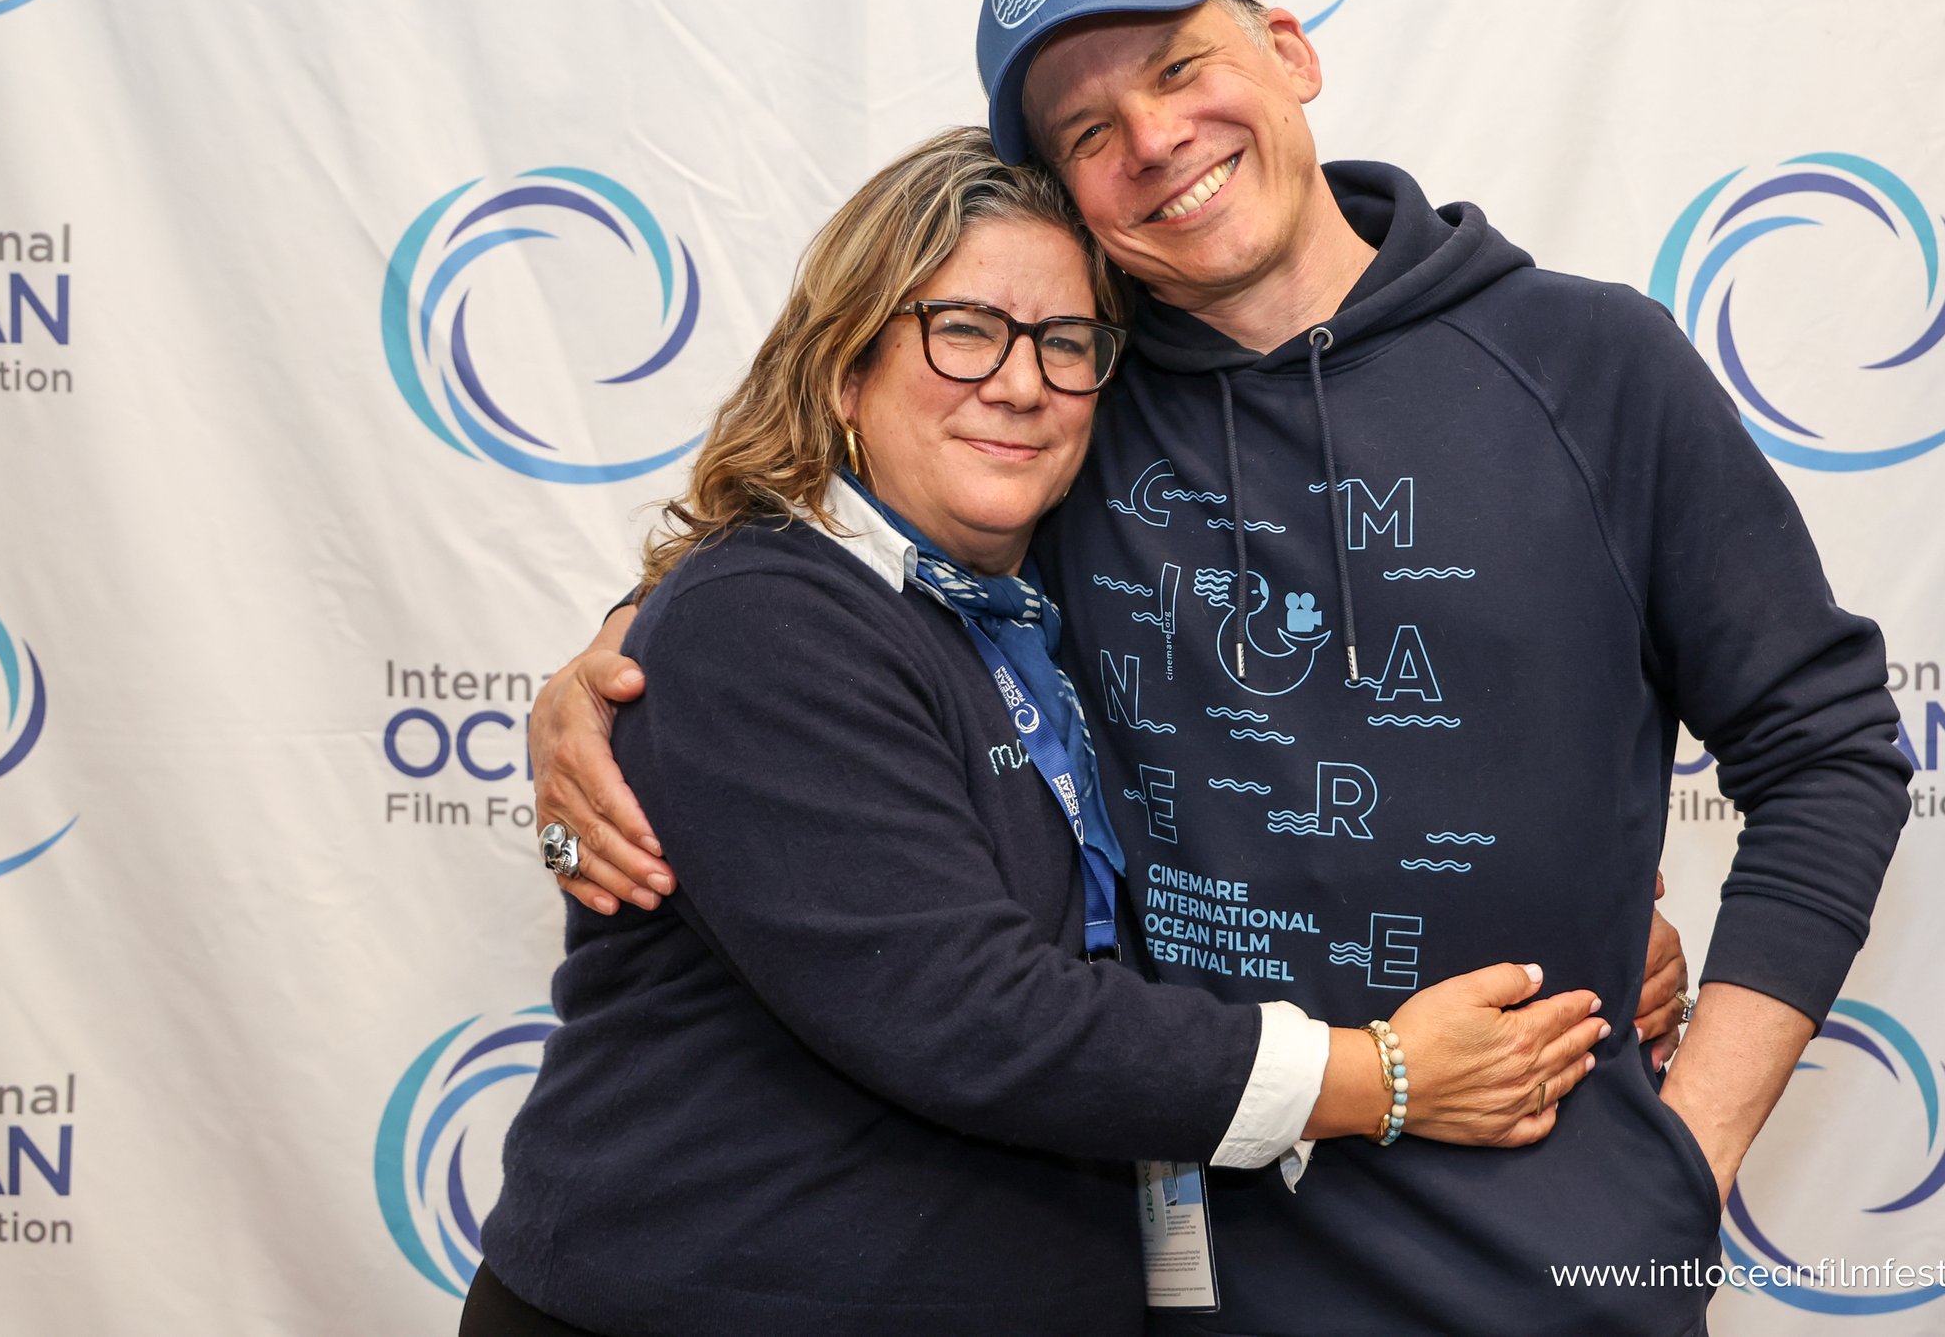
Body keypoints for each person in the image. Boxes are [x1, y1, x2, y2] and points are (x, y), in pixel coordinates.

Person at [536, 0, 1912, 1336]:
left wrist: (1685, 1152)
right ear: (1071, 198)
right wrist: (614, 662)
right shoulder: (1065, 407)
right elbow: (833, 573)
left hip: (1543, 1265)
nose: (1153, 134)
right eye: (1087, 129)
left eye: (1184, 66)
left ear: (1290, 55)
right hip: (1149, 1268)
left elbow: (1826, 752)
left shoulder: (1591, 365)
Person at [466, 129, 1619, 1337]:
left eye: (1067, 344)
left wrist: (1556, 911)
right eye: (964, 327)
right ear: (844, 363)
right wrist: (1376, 1075)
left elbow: (1281, 807)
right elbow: (970, 1013)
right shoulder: (766, 617)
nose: (1020, 382)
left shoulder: (1038, 605)